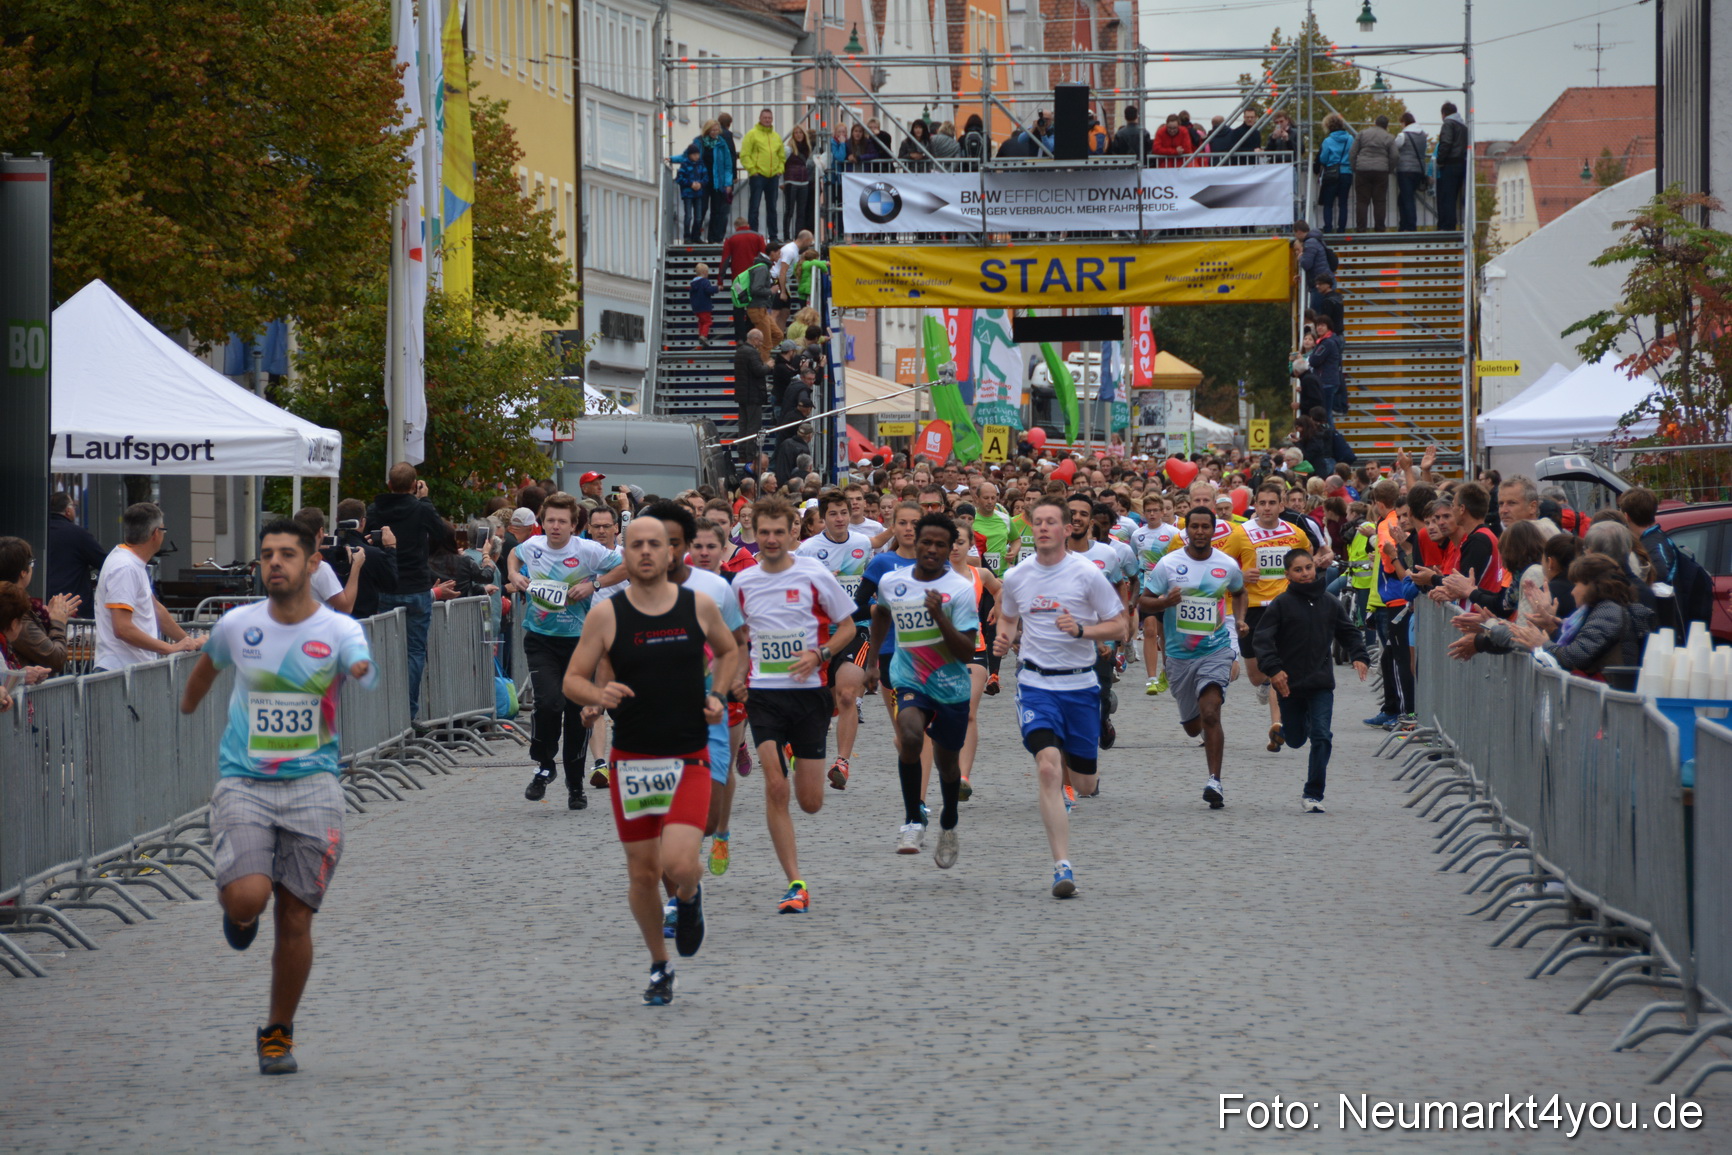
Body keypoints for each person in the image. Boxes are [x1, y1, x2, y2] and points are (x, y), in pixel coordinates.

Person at [178, 517, 377, 1075]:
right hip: (245, 782)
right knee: (248, 899)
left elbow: (362, 664)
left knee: (295, 918)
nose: (275, 563)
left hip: (314, 786)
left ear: (313, 563)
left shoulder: (338, 630)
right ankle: (239, 919)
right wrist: (189, 706)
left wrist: (359, 669)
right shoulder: (238, 624)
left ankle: (277, 1032)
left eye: (287, 554)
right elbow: (205, 670)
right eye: (267, 554)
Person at [560, 513, 738, 1005]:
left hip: (688, 754)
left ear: (669, 552)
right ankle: (660, 964)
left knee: (681, 862)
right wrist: (598, 691)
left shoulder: (697, 605)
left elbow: (728, 651)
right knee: (641, 874)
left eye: (653, 544)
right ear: (625, 553)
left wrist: (719, 694)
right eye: (634, 544)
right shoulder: (607, 614)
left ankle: (688, 895)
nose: (643, 552)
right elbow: (571, 680)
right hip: (631, 759)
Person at [994, 496, 1125, 897]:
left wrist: (1083, 632)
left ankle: (1087, 732)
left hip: (1080, 684)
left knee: (1084, 784)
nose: (1044, 528)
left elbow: (1120, 624)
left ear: (1068, 529)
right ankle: (1062, 867)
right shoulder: (1018, 576)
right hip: (1035, 684)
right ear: (1030, 528)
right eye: (1038, 522)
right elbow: (1009, 614)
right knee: (1049, 769)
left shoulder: (1086, 574)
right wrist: (1004, 637)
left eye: (1052, 522)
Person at [732, 497, 858, 915]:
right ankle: (794, 881)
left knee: (810, 801)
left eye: (778, 532)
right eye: (763, 532)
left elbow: (847, 627)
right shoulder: (743, 582)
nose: (769, 539)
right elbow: (736, 637)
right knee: (774, 787)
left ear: (793, 534)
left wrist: (820, 654)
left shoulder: (813, 573)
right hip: (763, 695)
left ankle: (796, 753)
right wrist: (735, 676)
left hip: (809, 696)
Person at [865, 513, 978, 865]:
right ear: (914, 541)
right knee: (910, 737)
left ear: (949, 549)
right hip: (909, 678)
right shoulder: (891, 581)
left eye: (939, 544)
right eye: (925, 542)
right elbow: (881, 614)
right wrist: (871, 664)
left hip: (951, 687)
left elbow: (965, 650)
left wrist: (939, 616)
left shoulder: (959, 589)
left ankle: (948, 821)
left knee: (947, 766)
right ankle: (913, 819)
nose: (931, 549)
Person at [506, 492, 626, 808]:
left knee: (576, 716)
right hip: (541, 639)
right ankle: (544, 764)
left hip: (579, 643)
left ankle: (576, 786)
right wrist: (514, 574)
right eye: (550, 521)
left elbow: (626, 567)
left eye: (562, 521)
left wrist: (594, 585)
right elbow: (514, 555)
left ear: (574, 525)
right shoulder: (532, 547)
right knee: (548, 703)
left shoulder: (588, 551)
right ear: (541, 523)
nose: (556, 527)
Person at [1140, 506, 1247, 809]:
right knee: (1192, 725)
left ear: (1214, 530)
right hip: (1178, 655)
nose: (1200, 532)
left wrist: (1239, 620)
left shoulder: (1226, 564)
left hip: (1215, 649)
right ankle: (1198, 724)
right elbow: (1143, 602)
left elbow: (1239, 592)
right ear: (1186, 531)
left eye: (1205, 527)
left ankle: (1215, 780)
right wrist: (1164, 601)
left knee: (1211, 712)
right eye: (1194, 527)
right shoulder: (1168, 564)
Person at [1251, 548, 1370, 812]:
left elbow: (1348, 632)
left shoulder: (1329, 602)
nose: (1305, 574)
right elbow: (1262, 639)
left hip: (1320, 685)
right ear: (1288, 575)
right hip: (1289, 686)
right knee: (1296, 740)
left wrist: (1360, 655)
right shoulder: (1281, 604)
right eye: (1298, 570)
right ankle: (1283, 730)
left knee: (1322, 735)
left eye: (1308, 568)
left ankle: (1313, 794)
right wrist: (1274, 669)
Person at [795, 490, 873, 789]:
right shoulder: (808, 550)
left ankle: (842, 762)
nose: (840, 518)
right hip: (819, 632)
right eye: (833, 514)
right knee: (823, 701)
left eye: (844, 512)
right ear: (822, 519)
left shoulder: (863, 544)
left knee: (846, 693)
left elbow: (868, 583)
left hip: (855, 628)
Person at [368, 463, 447, 717]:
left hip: (385, 585)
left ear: (389, 484)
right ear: (415, 485)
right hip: (415, 586)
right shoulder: (420, 508)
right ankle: (408, 711)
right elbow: (442, 533)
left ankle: (383, 711)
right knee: (414, 651)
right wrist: (425, 501)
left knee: (382, 649)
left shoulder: (375, 510)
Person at [1238, 482, 1313, 750]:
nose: (1267, 508)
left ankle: (1278, 726)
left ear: (1281, 505)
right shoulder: (1241, 533)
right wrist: (1240, 575)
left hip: (1285, 606)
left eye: (1272, 503)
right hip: (1253, 607)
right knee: (1257, 675)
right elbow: (1220, 565)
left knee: (1277, 665)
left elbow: (1309, 559)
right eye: (1262, 503)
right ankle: (1266, 684)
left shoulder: (1295, 533)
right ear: (1255, 505)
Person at [94, 502, 204, 671]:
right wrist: (169, 648)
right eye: (163, 530)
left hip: (130, 670)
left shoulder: (131, 563)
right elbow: (122, 628)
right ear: (155, 533)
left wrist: (189, 642)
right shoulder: (125, 567)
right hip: (119, 671)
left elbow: (156, 610)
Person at [0, 538, 78, 674]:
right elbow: (55, 659)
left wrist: (47, 618)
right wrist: (58, 623)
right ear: (23, 572)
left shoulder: (21, 609)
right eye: (31, 563)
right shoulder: (16, 611)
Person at [1132, 493, 1182, 695]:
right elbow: (1137, 560)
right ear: (1143, 513)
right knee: (1150, 631)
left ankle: (1167, 671)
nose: (1152, 514)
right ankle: (1151, 679)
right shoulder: (1138, 535)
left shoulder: (1173, 533)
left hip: (1167, 588)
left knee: (1165, 635)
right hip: (1147, 590)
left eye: (1156, 510)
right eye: (1148, 511)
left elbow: (1178, 561)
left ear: (1163, 512)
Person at [323, 499, 398, 619]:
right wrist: (391, 548)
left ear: (337, 520)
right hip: (364, 622)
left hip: (332, 622)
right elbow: (391, 584)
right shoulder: (373, 555)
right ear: (362, 522)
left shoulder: (324, 552)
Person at [46, 492, 107, 607]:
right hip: (73, 606)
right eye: (74, 506)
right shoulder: (79, 534)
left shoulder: (39, 533)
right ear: (68, 511)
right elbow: (105, 562)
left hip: (42, 604)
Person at [1349, 114, 1397, 232]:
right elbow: (1395, 155)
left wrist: (1355, 166)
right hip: (1381, 171)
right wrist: (1389, 169)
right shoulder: (1389, 137)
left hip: (1363, 170)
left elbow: (1352, 152)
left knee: (1362, 201)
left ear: (1375, 123)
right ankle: (1380, 229)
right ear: (1386, 126)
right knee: (1379, 201)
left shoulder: (1362, 133)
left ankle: (1361, 229)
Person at [739, 108, 784, 236]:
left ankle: (773, 236)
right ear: (760, 118)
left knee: (772, 208)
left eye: (769, 118)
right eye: (765, 117)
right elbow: (744, 155)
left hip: (773, 176)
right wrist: (753, 170)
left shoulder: (776, 137)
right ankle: (753, 234)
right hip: (758, 176)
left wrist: (780, 170)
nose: (767, 120)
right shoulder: (752, 134)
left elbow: (781, 156)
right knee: (754, 207)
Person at [696, 119, 738, 243]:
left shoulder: (721, 143)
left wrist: (728, 182)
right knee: (701, 209)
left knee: (717, 211)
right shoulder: (699, 142)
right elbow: (691, 158)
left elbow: (728, 164)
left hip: (717, 182)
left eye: (716, 130)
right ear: (707, 130)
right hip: (703, 181)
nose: (715, 133)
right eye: (713, 130)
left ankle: (714, 238)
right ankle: (695, 237)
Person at [1316, 113, 1354, 233]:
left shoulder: (1327, 141)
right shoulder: (1350, 139)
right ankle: (1341, 229)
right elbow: (1353, 155)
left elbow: (1323, 159)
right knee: (1343, 203)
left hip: (1332, 173)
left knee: (1328, 203)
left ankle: (1328, 228)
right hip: (1347, 172)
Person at [1434, 102, 1469, 232]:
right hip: (1462, 164)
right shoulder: (1463, 126)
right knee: (1454, 197)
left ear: (1443, 113)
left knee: (1447, 196)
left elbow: (1446, 143)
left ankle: (1446, 225)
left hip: (1450, 164)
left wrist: (1440, 159)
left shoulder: (1448, 124)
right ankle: (1451, 224)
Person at [1394, 111, 1428, 232]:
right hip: (1419, 170)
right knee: (1403, 198)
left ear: (1404, 122)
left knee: (1407, 199)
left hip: (1405, 170)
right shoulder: (1422, 135)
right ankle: (1403, 225)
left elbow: (1393, 147)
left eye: (1401, 123)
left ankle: (1410, 226)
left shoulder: (1403, 135)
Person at [672, 142, 709, 242]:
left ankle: (696, 236)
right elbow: (679, 178)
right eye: (694, 154)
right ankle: (687, 236)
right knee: (688, 216)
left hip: (698, 194)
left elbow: (706, 178)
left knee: (698, 217)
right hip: (688, 194)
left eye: (697, 154)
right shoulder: (684, 165)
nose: (696, 156)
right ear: (689, 155)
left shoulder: (701, 164)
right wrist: (690, 184)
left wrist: (700, 184)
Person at [690, 261, 716, 348]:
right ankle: (703, 335)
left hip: (696, 307)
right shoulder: (705, 281)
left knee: (701, 321)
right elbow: (709, 290)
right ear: (705, 272)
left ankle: (700, 334)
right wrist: (717, 288)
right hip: (704, 306)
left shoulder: (693, 283)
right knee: (707, 322)